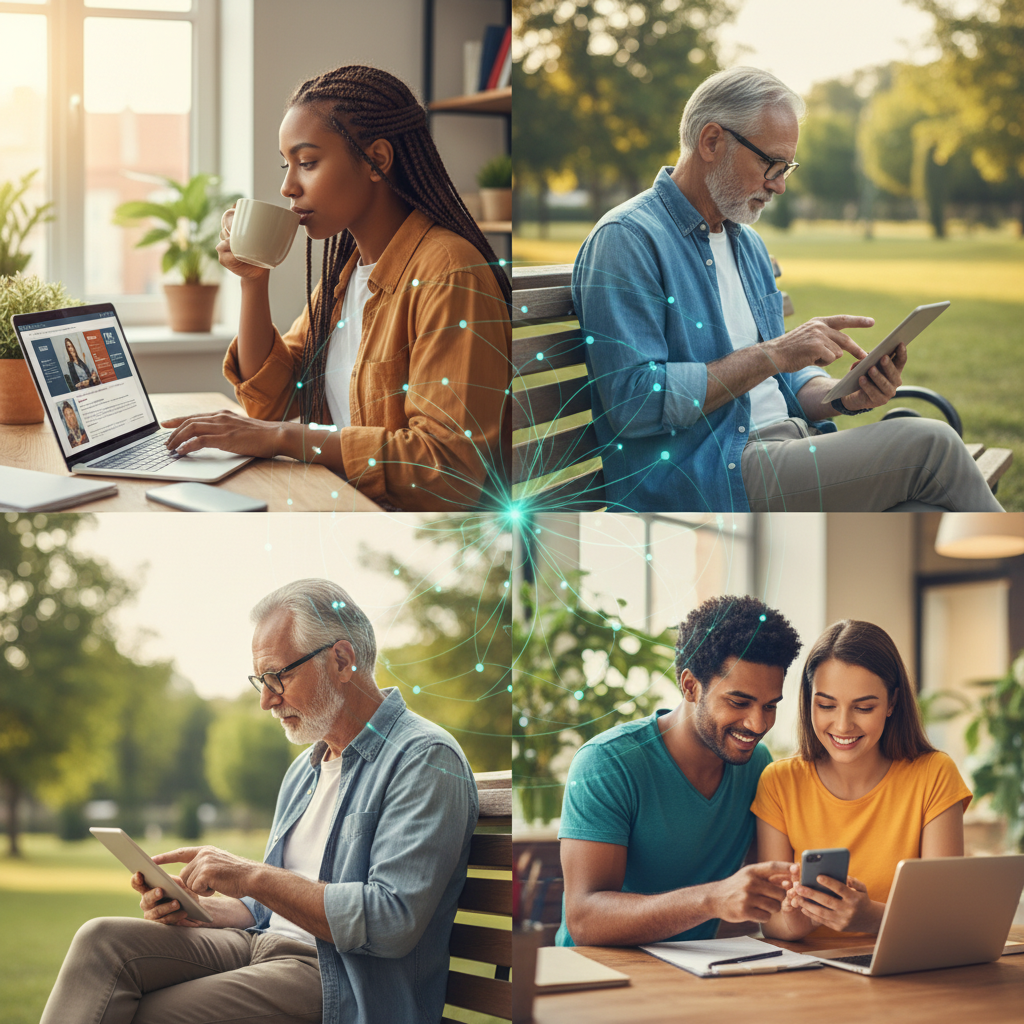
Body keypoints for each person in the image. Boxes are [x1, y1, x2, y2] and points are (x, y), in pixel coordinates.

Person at [41, 579, 479, 1024]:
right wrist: (207, 910)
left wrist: (251, 875)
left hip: (342, 978)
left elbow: (391, 922)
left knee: (151, 1013)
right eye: (261, 682)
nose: (267, 700)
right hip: (260, 945)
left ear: (342, 660)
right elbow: (273, 904)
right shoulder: (303, 771)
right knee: (101, 942)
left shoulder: (423, 758)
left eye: (279, 676)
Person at [573, 66, 1003, 513]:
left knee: (924, 515)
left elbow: (782, 379)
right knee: (927, 443)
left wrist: (842, 395)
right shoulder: (628, 240)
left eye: (787, 168)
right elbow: (634, 402)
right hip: (710, 477)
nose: (779, 184)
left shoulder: (747, 243)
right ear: (711, 141)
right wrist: (774, 353)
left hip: (789, 450)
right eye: (770, 164)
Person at [161, 65, 511, 513]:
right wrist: (254, 283)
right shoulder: (345, 276)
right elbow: (273, 402)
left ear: (377, 160)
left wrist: (288, 438)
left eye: (307, 163)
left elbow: (448, 469)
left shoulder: (448, 272)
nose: (288, 186)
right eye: (286, 165)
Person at [556, 595, 802, 947]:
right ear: (690, 686)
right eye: (738, 702)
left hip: (694, 974)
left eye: (770, 705)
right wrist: (713, 899)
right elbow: (584, 919)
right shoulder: (606, 763)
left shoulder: (756, 767)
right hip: (596, 975)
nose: (758, 722)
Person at [752, 619, 971, 942]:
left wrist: (872, 917)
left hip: (908, 974)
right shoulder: (779, 781)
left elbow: (945, 916)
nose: (842, 725)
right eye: (826, 705)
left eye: (864, 707)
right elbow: (771, 923)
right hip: (810, 977)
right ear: (808, 698)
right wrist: (796, 920)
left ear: (892, 703)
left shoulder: (933, 774)